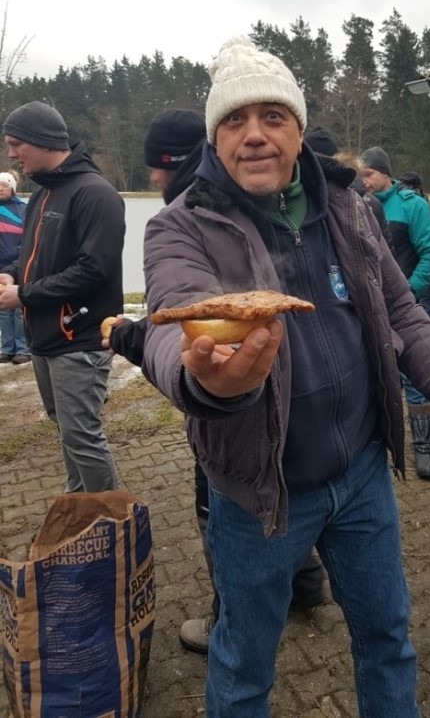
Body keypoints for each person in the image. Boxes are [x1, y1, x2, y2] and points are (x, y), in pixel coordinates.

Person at [141, 35, 430, 717]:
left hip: (362, 474)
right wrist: (206, 381)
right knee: (243, 666)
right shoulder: (182, 227)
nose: (254, 134)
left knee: (388, 639)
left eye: (272, 116)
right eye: (234, 120)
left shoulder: (347, 206)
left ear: (298, 130)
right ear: (214, 138)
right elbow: (172, 320)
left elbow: (398, 308)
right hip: (257, 494)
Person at [107, 108, 324, 654]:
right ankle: (305, 585)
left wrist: (132, 339)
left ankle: (227, 617)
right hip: (272, 400)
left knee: (221, 497)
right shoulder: (222, 206)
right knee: (278, 485)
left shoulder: (203, 210)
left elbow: (190, 315)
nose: (152, 176)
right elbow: (180, 307)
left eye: (157, 165)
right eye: (234, 125)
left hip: (242, 426)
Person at [0, 101, 125, 493]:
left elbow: (94, 270)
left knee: (83, 437)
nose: (11, 154)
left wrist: (23, 295)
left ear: (43, 140)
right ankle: (79, 505)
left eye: (17, 144)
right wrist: (11, 274)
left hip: (80, 338)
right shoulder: (42, 193)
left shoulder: (96, 194)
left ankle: (113, 518)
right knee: (67, 430)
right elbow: (34, 256)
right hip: (44, 338)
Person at [359, 148, 430, 480]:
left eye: (369, 174)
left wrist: (407, 290)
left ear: (385, 173)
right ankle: (383, 444)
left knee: (417, 375)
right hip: (373, 305)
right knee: (381, 373)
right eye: (361, 174)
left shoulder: (412, 206)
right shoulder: (357, 205)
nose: (364, 180)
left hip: (413, 302)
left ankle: (425, 447)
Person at [0, 171, 30, 364]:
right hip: (0, 268)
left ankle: (23, 348)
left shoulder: (23, 209)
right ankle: (7, 348)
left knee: (19, 308)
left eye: (4, 185)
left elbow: (30, 237)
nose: (0, 189)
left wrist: (20, 260)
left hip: (20, 265)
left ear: (12, 188)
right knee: (3, 309)